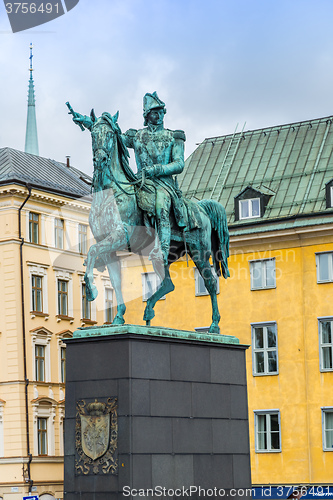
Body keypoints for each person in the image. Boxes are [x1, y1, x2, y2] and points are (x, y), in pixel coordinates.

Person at [124, 92, 186, 265]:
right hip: (140, 182)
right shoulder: (136, 136)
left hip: (163, 184)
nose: (158, 115)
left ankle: (163, 250)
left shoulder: (174, 136)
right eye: (154, 112)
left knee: (160, 207)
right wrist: (94, 125)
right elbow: (113, 137)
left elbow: (179, 164)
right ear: (146, 115)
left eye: (160, 112)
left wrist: (157, 169)